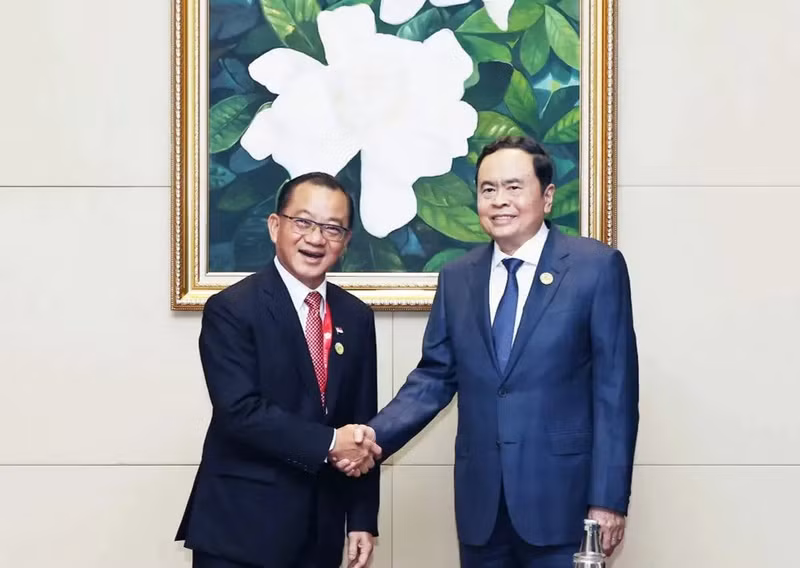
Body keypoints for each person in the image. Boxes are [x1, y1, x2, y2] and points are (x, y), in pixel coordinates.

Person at [337, 137, 639, 567]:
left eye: (514, 187)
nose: (500, 201)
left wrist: (608, 500)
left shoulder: (595, 268)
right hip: (482, 507)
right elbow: (434, 377)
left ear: (547, 196)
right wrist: (374, 437)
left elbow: (616, 393)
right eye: (488, 189)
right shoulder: (458, 277)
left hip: (565, 505)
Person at [176, 172, 383, 568]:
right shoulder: (232, 308)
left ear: (346, 241)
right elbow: (240, 412)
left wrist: (361, 518)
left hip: (320, 532)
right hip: (240, 530)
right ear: (275, 226)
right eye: (303, 222)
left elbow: (360, 425)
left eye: (332, 228)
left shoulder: (356, 316)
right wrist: (328, 443)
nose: (316, 238)